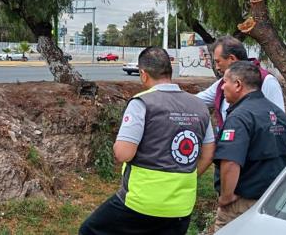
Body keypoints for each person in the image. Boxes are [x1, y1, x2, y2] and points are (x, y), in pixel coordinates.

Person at [79, 47, 215, 235]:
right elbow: (208, 155)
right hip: (181, 207)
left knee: (89, 230)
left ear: (143, 74)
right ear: (170, 71)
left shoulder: (142, 103)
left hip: (140, 203)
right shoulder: (199, 106)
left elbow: (123, 153)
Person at [213, 61, 286, 231]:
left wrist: (226, 197)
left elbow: (230, 162)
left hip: (241, 204)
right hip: (271, 202)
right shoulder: (279, 115)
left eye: (225, 82)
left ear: (238, 85)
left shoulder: (240, 117)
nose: (221, 87)